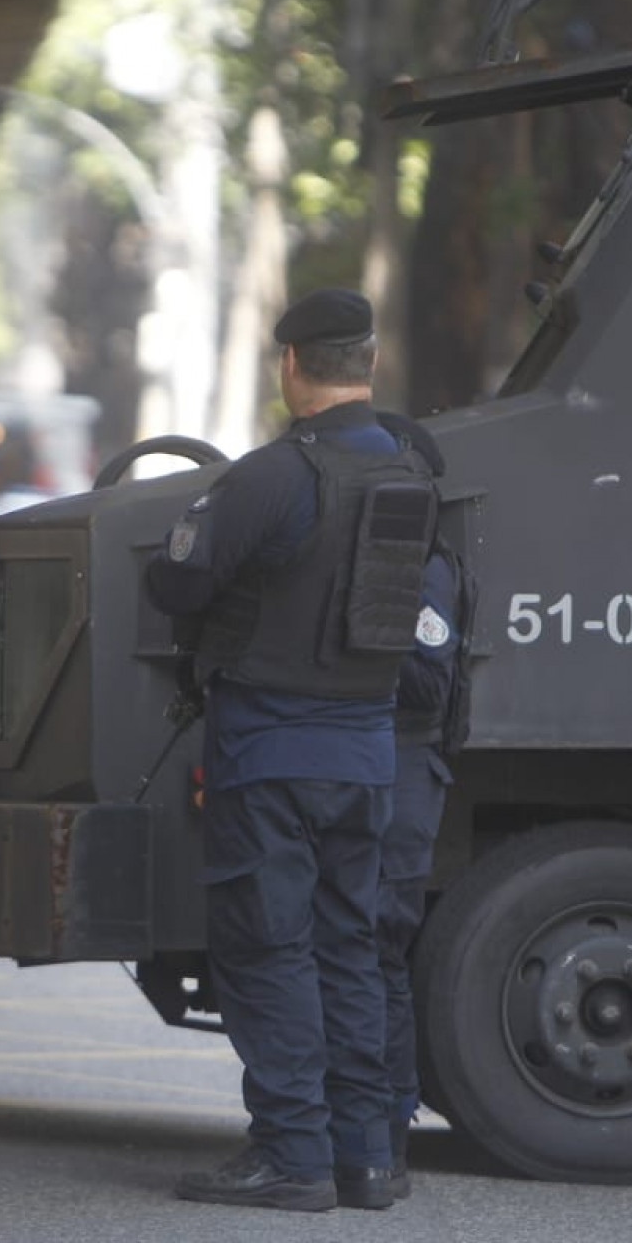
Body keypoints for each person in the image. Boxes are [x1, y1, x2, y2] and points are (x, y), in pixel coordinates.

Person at [144, 288, 438, 1213]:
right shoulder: (408, 472)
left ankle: (292, 1155)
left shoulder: (275, 476)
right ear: (368, 366)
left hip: (271, 753)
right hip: (367, 755)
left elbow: (180, 580)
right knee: (349, 952)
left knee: (269, 950)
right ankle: (363, 1159)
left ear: (290, 366)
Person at [373, 412, 473, 1201]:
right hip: (381, 766)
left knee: (375, 948)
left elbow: (423, 681)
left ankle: (383, 1129)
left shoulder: (421, 568)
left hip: (402, 767)